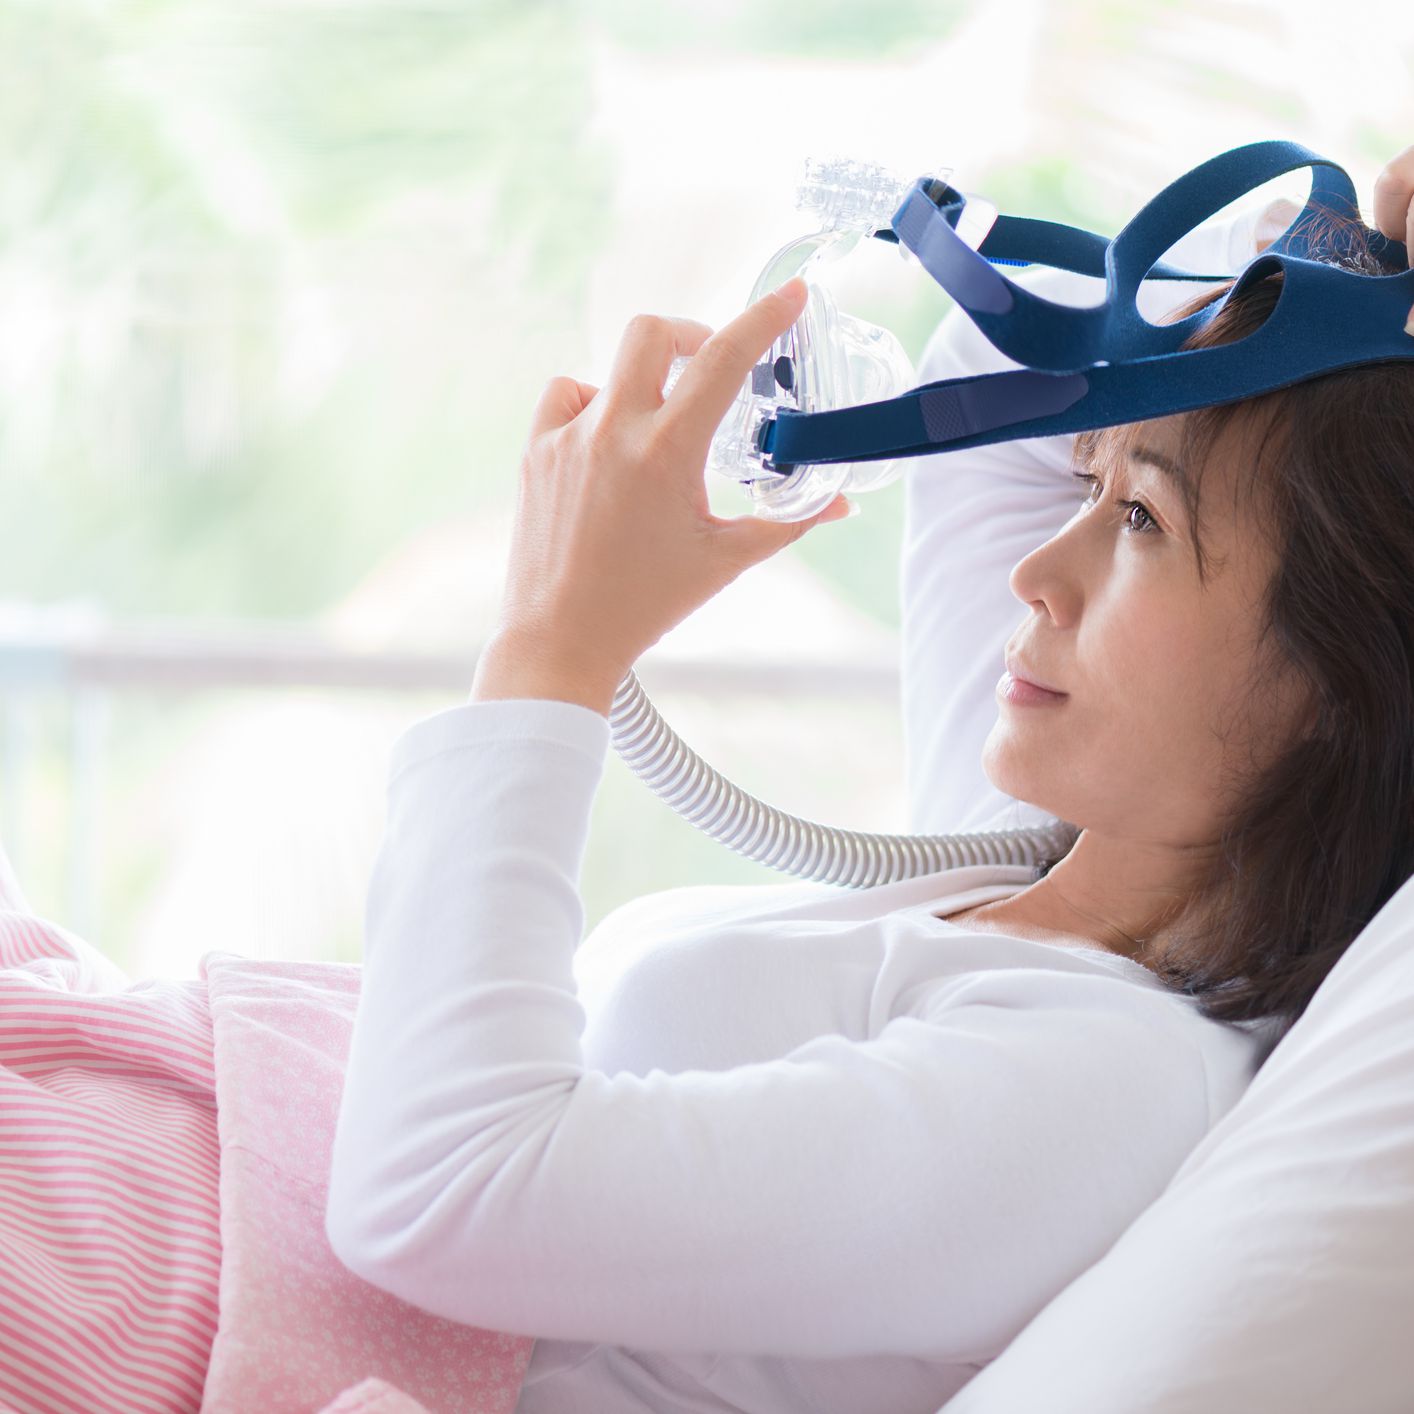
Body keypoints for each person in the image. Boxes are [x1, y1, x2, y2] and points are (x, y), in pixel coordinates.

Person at [318, 147, 1414, 1414]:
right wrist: (1345, 277)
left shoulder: (1101, 1083)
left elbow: (442, 1192)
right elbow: (987, 375)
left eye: (1140, 522)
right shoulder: (1028, 851)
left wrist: (550, 647)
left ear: (1339, 679)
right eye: (1089, 483)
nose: (1035, 573)